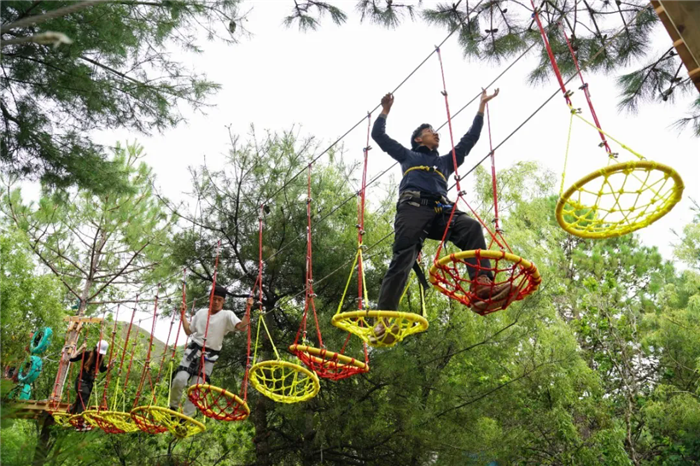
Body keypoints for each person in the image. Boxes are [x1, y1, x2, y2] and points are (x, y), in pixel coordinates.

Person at [371, 89, 512, 337]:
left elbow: (469, 140)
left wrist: (481, 108)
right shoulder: (408, 155)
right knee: (404, 256)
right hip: (413, 208)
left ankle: (482, 285)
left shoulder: (446, 162)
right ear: (418, 139)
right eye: (430, 132)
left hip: (440, 211)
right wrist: (385, 111)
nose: (436, 134)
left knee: (470, 227)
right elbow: (379, 136)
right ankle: (385, 317)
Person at [169, 284, 250, 418]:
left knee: (196, 389)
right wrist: (183, 315)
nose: (216, 302)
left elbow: (242, 327)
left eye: (219, 299)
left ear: (223, 301)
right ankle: (173, 408)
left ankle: (186, 418)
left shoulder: (227, 315)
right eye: (214, 299)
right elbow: (189, 330)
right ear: (210, 299)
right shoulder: (201, 313)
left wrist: (248, 309)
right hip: (193, 351)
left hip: (209, 357)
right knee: (180, 379)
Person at [69, 340, 109, 415]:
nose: (99, 354)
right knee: (84, 395)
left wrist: (108, 366)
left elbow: (101, 370)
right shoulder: (87, 354)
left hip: (89, 383)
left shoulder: (100, 359)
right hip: (81, 381)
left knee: (81, 398)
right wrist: (81, 347)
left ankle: (70, 412)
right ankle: (81, 417)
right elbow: (72, 358)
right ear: (95, 348)